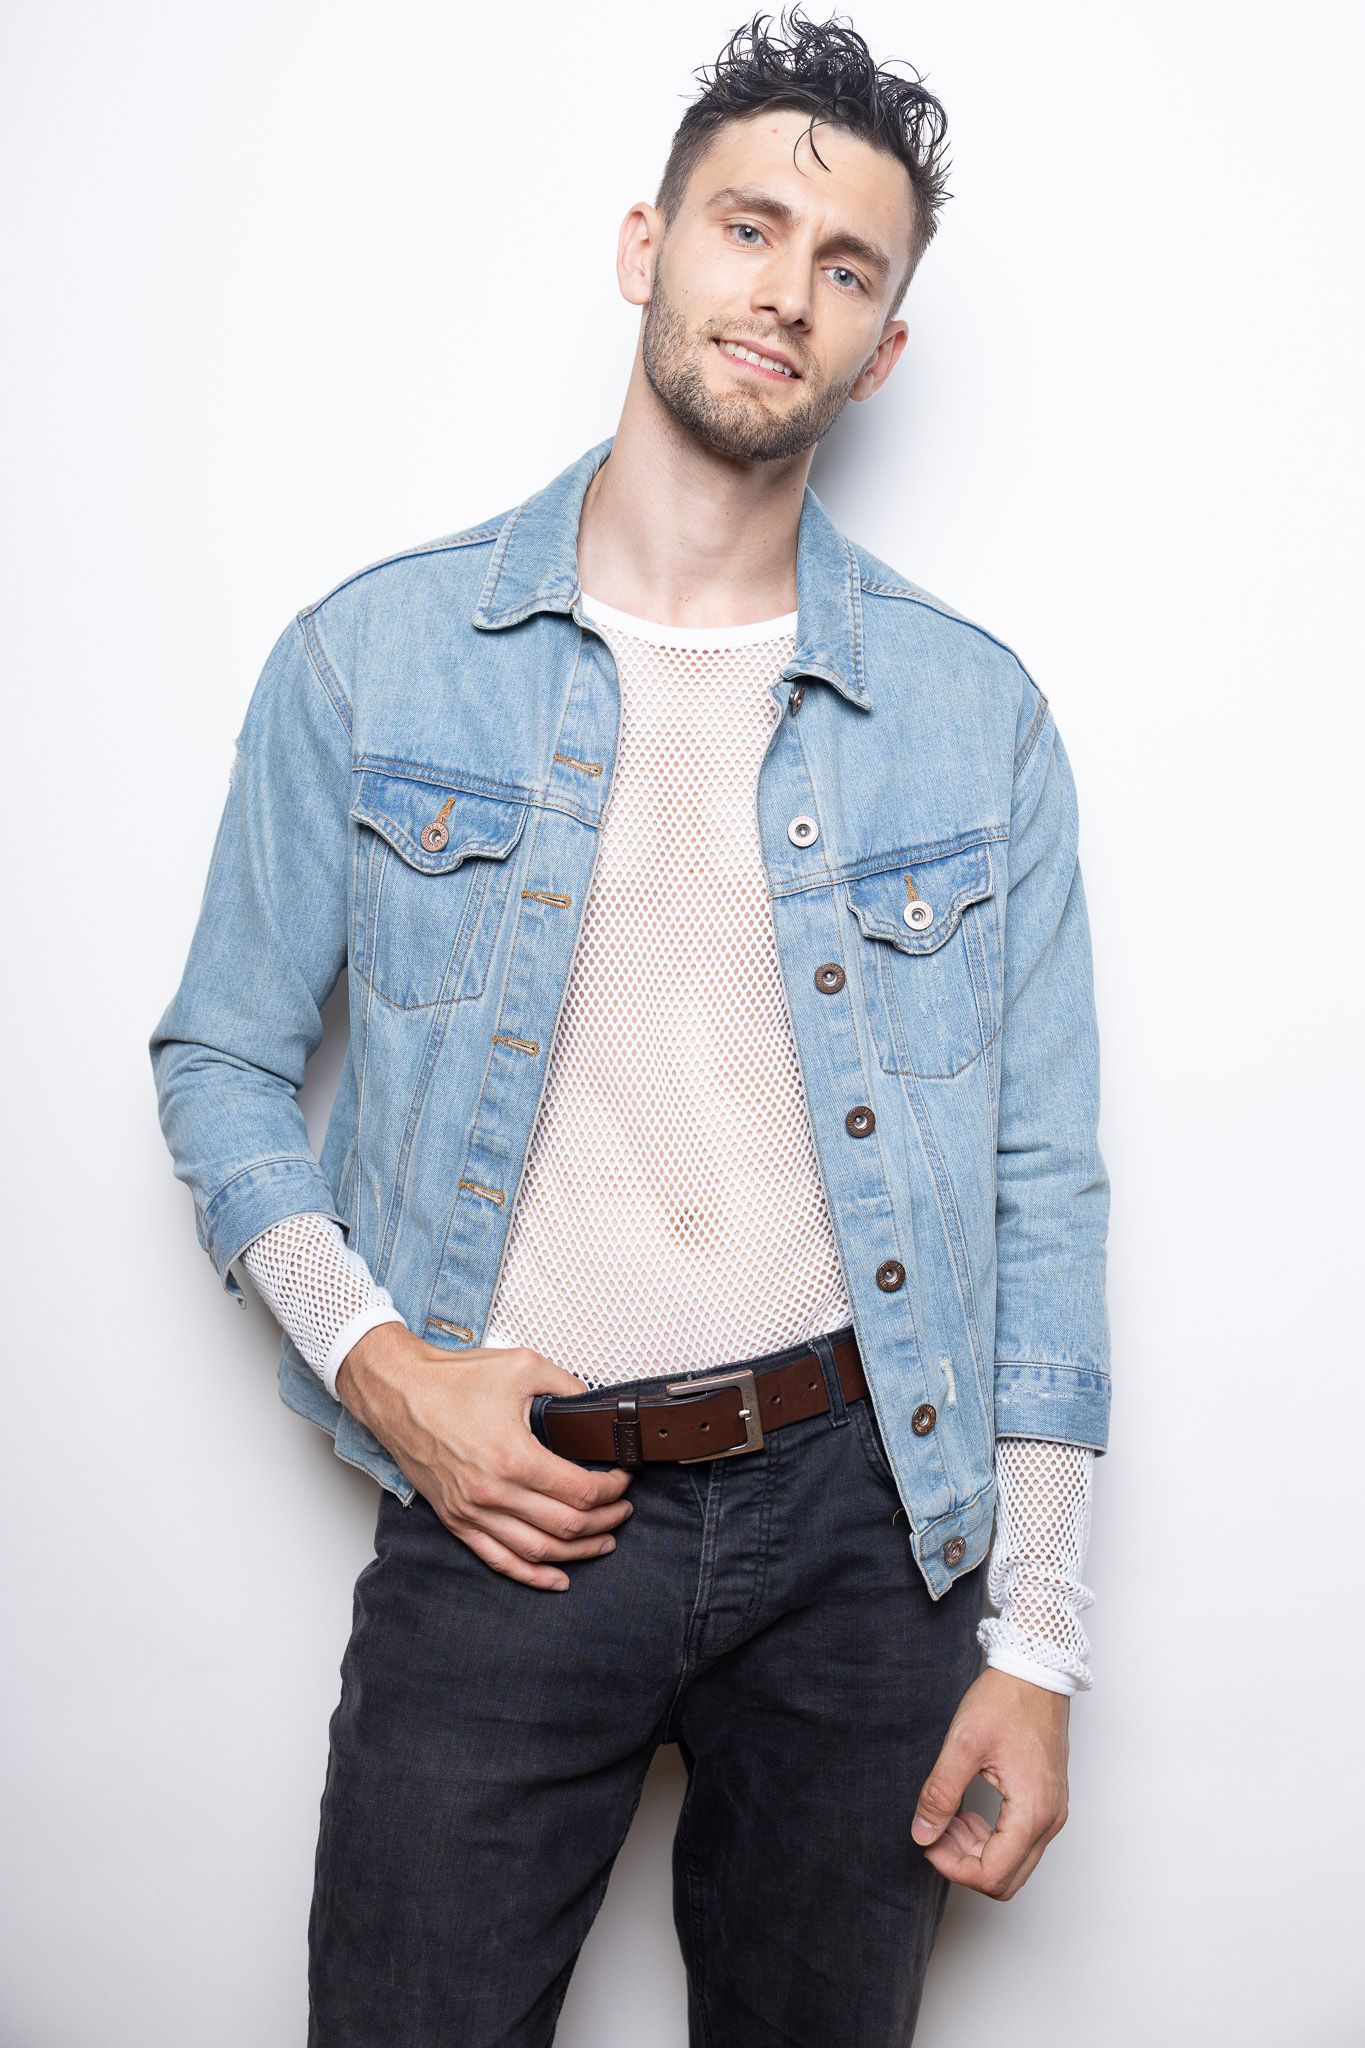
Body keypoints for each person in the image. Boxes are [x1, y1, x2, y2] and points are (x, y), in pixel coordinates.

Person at [148, 10, 1111, 2042]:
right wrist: (383, 1365)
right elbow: (219, 1058)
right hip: (511, 1505)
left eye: (843, 267)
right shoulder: (372, 660)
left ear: (882, 348)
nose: (784, 291)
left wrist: (1037, 1638)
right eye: (746, 228)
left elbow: (1040, 1184)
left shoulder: (974, 716)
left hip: (866, 1531)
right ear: (643, 247)